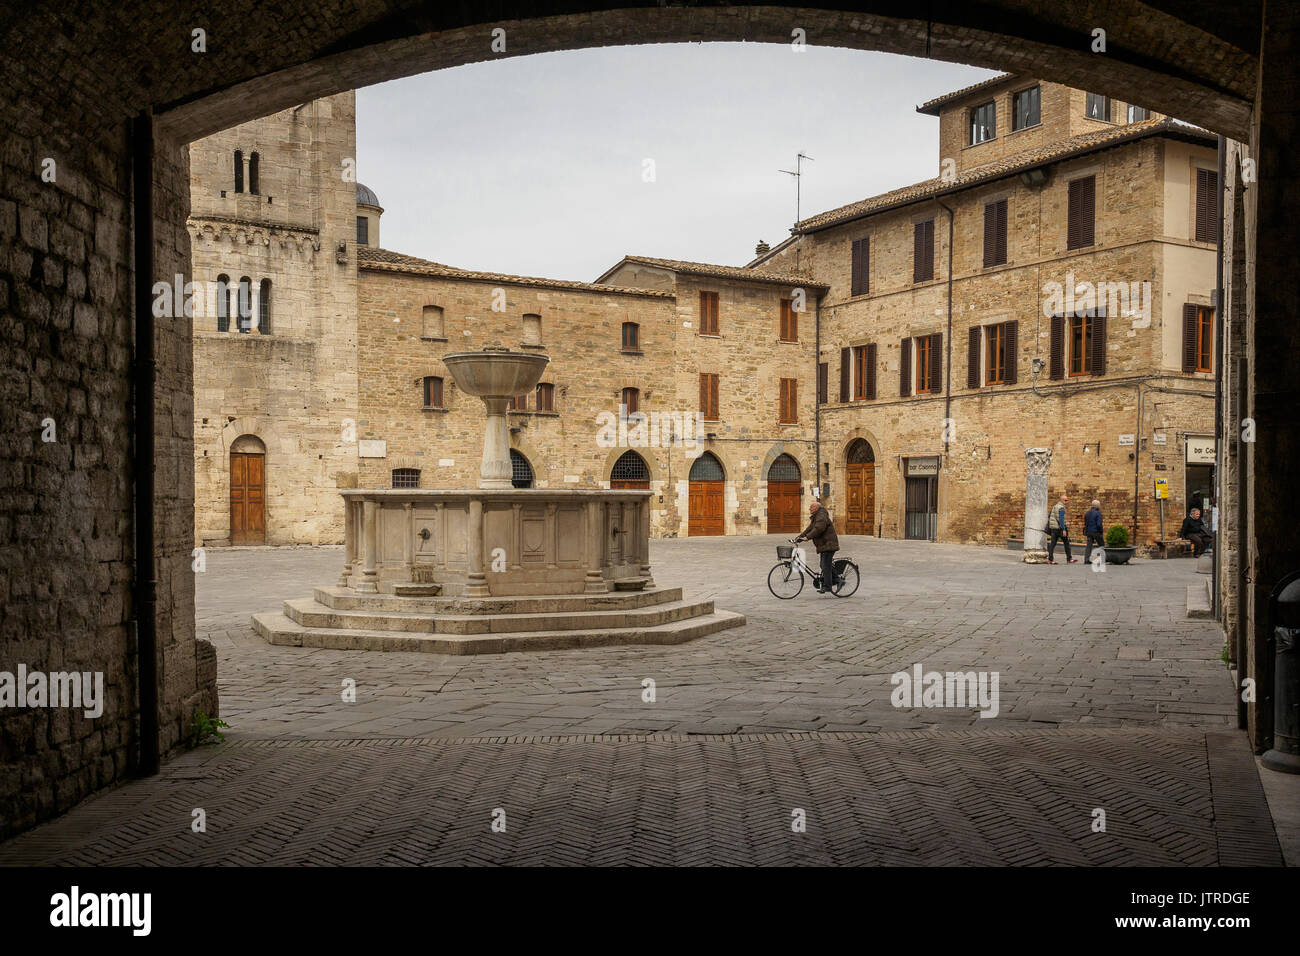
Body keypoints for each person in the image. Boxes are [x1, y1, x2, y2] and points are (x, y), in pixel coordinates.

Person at [794, 499, 840, 594]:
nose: (809, 508)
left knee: (825, 565)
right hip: (824, 544)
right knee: (823, 564)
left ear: (816, 508)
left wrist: (808, 537)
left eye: (811, 507)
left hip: (828, 544)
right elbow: (810, 528)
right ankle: (838, 580)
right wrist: (799, 537)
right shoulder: (817, 516)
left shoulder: (821, 516)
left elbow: (819, 528)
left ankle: (828, 586)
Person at [1047, 493, 1077, 564]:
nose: (1067, 502)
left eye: (1067, 500)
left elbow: (1049, 516)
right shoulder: (1061, 508)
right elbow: (1061, 520)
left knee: (1052, 544)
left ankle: (1050, 559)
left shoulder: (1055, 506)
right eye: (1066, 500)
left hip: (1053, 528)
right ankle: (1069, 559)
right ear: (1062, 500)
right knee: (1066, 543)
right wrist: (1063, 529)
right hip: (1060, 529)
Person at [1083, 499, 1104, 564]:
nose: (1100, 506)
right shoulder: (1098, 513)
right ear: (1097, 505)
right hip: (1096, 532)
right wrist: (1101, 531)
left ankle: (1086, 560)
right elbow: (1099, 524)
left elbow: (1086, 523)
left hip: (1089, 532)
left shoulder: (1087, 513)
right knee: (1101, 545)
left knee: (1088, 546)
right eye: (1099, 505)